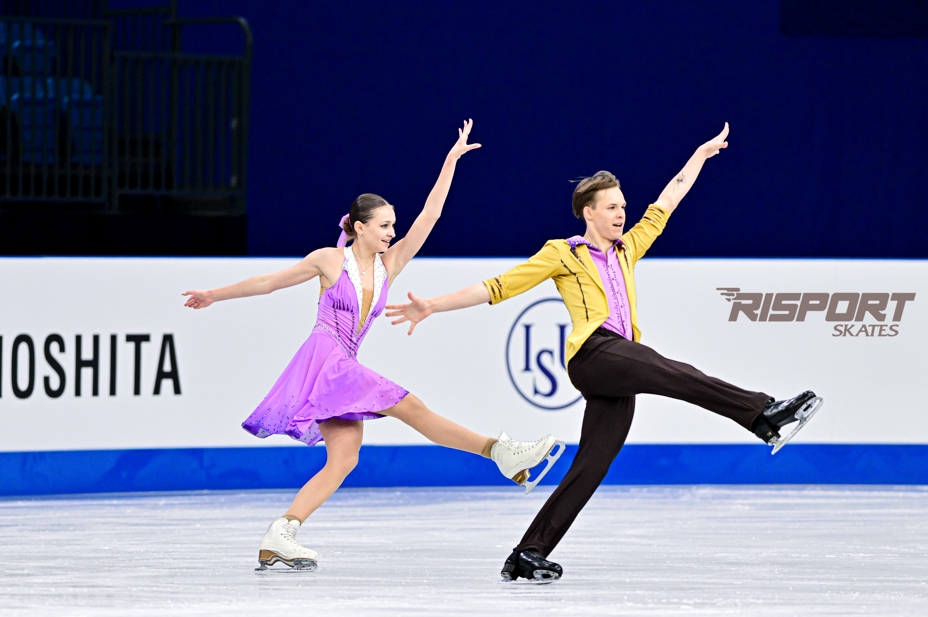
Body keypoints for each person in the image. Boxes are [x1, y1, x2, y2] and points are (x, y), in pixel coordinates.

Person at [385, 123, 823, 583]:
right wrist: (432, 305)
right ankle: (762, 413)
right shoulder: (562, 253)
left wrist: (698, 155)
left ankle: (528, 552)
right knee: (674, 371)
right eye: (612, 207)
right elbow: (498, 286)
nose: (621, 214)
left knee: (592, 464)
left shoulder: (627, 248)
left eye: (623, 207)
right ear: (588, 212)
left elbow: (668, 199)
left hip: (620, 362)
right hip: (594, 355)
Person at [181, 120, 564, 572]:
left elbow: (430, 217)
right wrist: (214, 294)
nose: (391, 232)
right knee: (411, 406)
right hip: (325, 358)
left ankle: (280, 533)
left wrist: (450, 162)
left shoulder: (390, 265)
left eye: (393, 226)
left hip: (343, 364)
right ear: (360, 227)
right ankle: (500, 452)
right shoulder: (330, 259)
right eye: (384, 226)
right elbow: (269, 282)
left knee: (344, 460)